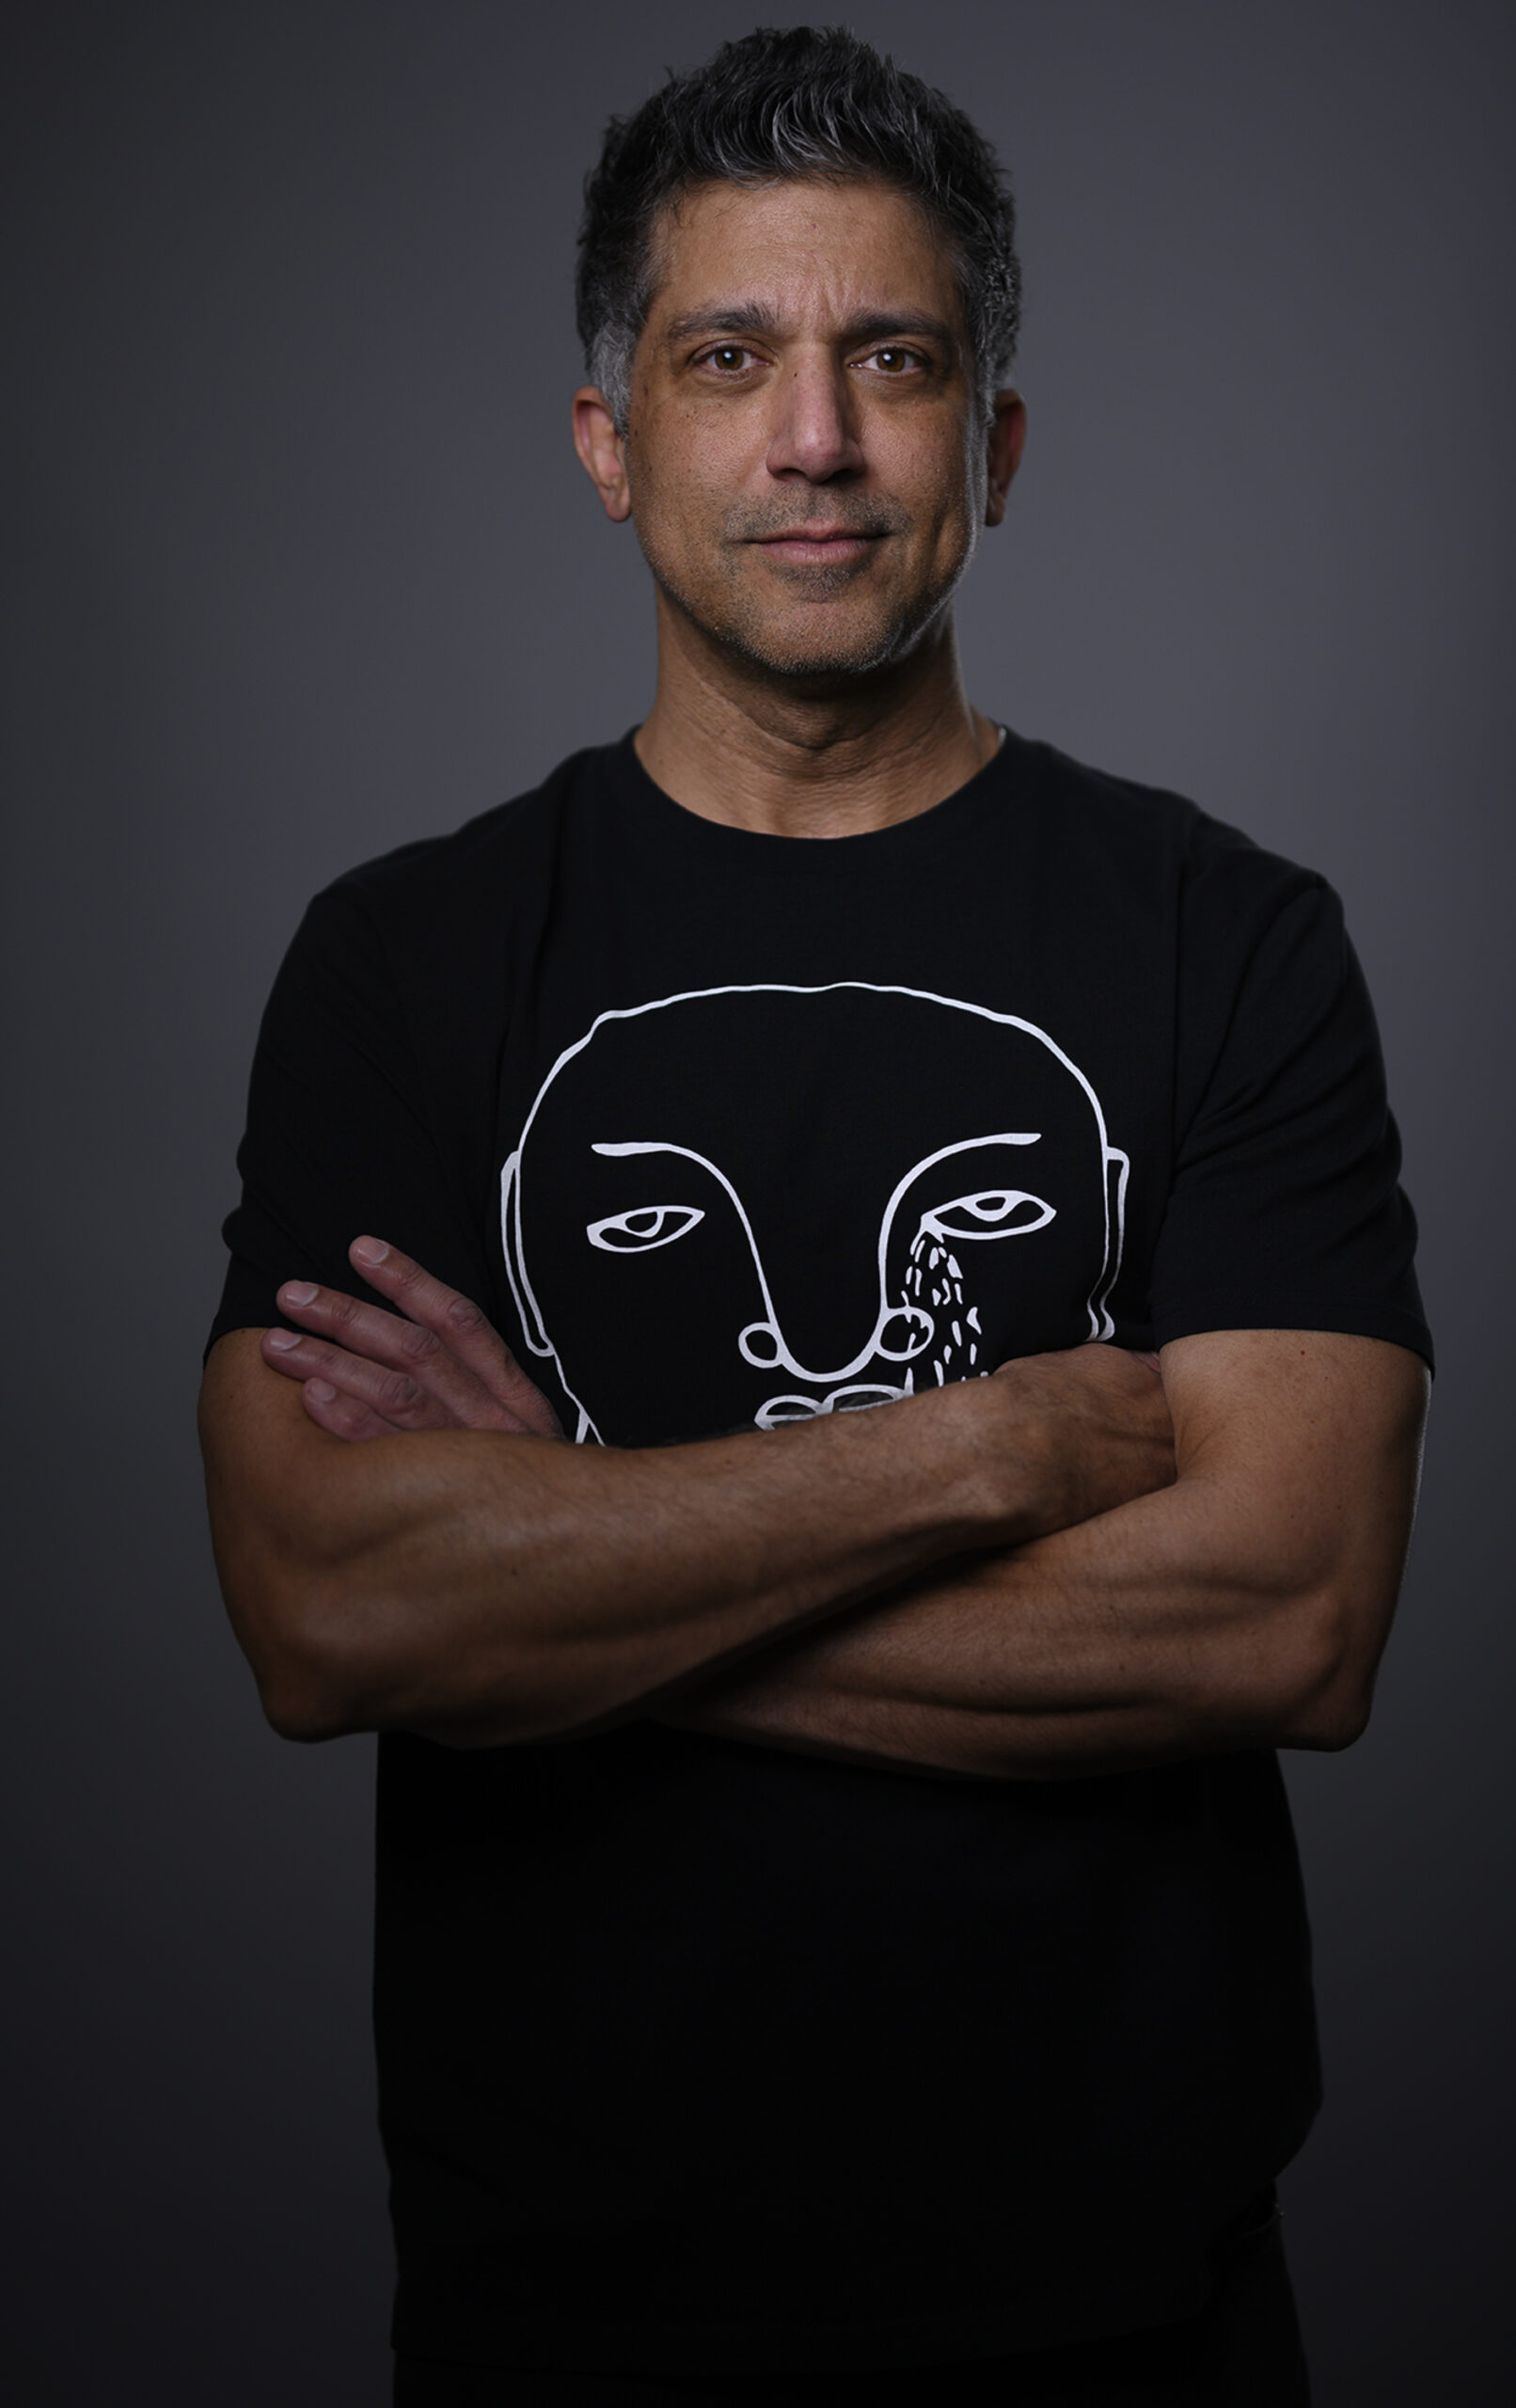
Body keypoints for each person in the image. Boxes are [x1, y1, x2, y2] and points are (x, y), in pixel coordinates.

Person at [198, 26, 1431, 2407]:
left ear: (995, 445)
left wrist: (558, 1562)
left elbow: (1286, 1613)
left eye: (893, 357)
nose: (813, 438)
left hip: (1125, 2307)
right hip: (562, 2318)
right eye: (724, 357)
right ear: (609, 443)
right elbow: (323, 1605)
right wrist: (981, 1448)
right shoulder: (404, 960)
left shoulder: (1227, 936)